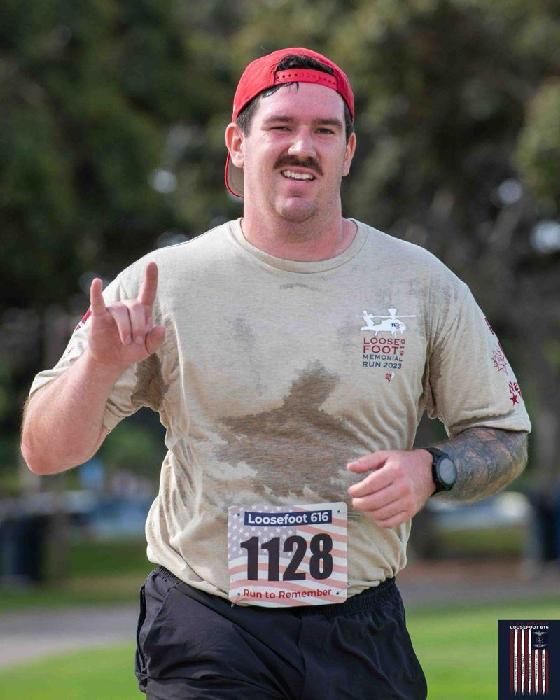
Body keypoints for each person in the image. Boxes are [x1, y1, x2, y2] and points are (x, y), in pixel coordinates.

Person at [22, 47, 530, 700]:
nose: (302, 147)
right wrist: (98, 366)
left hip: (360, 625)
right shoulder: (162, 284)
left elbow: (504, 437)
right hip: (208, 622)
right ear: (238, 144)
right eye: (281, 126)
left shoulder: (420, 284)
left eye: (324, 130)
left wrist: (435, 469)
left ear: (348, 151)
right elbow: (44, 452)